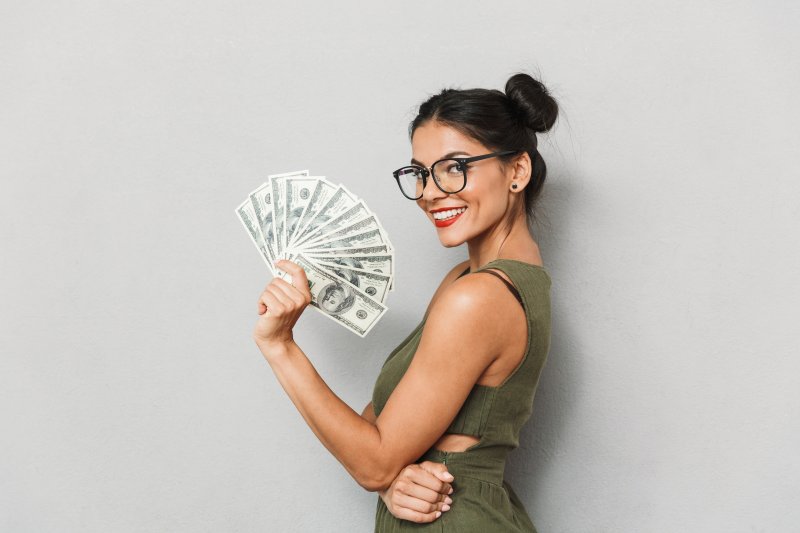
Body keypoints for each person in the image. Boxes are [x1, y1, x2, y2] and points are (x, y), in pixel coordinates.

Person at [253, 71, 558, 531]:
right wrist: (394, 480)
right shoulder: (471, 279)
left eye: (456, 167)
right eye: (420, 172)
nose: (432, 192)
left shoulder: (479, 298)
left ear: (517, 170)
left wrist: (280, 346)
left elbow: (372, 460)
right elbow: (378, 439)